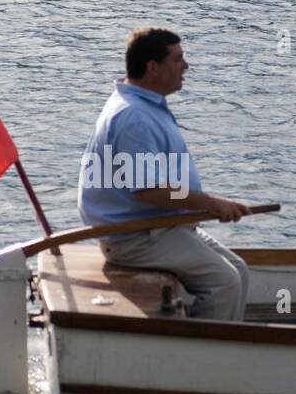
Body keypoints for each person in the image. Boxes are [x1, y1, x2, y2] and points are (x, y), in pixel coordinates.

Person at [77, 27, 251, 320]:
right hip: (135, 238)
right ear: (153, 68)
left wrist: (205, 204)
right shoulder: (134, 117)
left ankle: (217, 341)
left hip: (158, 227)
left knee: (240, 272)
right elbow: (149, 190)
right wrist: (210, 203)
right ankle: (200, 357)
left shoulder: (144, 105)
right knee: (225, 283)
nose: (186, 66)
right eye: (178, 59)